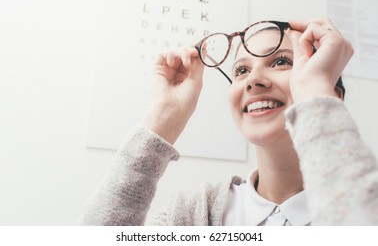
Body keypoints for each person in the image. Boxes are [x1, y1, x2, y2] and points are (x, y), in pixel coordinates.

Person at [77, 18, 375, 226]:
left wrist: (314, 92)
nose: (253, 80)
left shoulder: (364, 197)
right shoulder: (192, 214)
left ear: (329, 92)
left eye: (281, 61)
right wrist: (163, 117)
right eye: (241, 70)